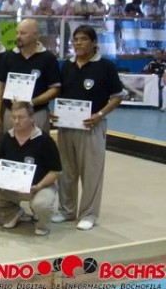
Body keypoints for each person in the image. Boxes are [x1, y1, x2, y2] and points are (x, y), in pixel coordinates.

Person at [52, 26, 124, 230]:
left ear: (94, 42)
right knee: (66, 170)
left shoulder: (105, 66)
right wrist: (55, 113)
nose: (78, 43)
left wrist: (99, 115)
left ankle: (89, 214)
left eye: (83, 39)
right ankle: (66, 211)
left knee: (91, 171)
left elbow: (117, 97)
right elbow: (60, 93)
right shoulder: (67, 65)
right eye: (75, 40)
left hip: (92, 126)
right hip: (67, 126)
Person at [0, 102, 62, 236]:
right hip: (12, 187)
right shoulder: (7, 137)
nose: (16, 121)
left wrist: (38, 186)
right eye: (14, 117)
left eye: (21, 117)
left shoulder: (45, 141)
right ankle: (14, 214)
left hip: (38, 187)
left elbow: (56, 172)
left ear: (32, 118)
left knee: (41, 204)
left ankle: (42, 225)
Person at [0, 19, 61, 134]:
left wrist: (32, 102)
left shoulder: (48, 58)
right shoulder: (8, 56)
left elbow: (55, 89)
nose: (18, 36)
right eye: (17, 33)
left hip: (37, 113)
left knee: (38, 149)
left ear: (35, 35)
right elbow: (0, 87)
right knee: (11, 149)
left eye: (23, 33)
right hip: (11, 113)